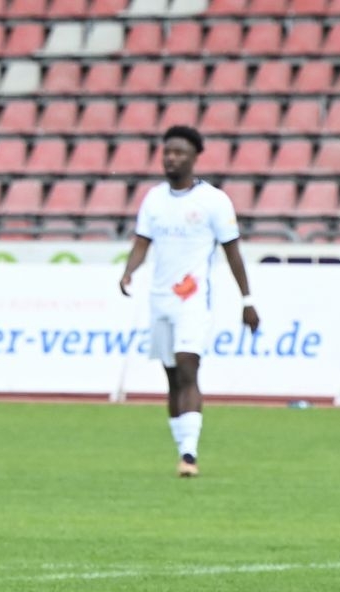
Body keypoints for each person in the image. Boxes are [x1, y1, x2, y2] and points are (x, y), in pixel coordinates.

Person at [118, 124, 259, 478]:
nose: (171, 158)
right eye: (167, 152)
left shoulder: (213, 201)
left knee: (187, 366)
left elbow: (233, 252)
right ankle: (182, 446)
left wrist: (247, 299)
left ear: (195, 157)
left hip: (193, 299)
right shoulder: (154, 199)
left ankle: (190, 455)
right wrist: (129, 272)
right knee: (171, 377)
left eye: (179, 152)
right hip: (160, 299)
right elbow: (142, 242)